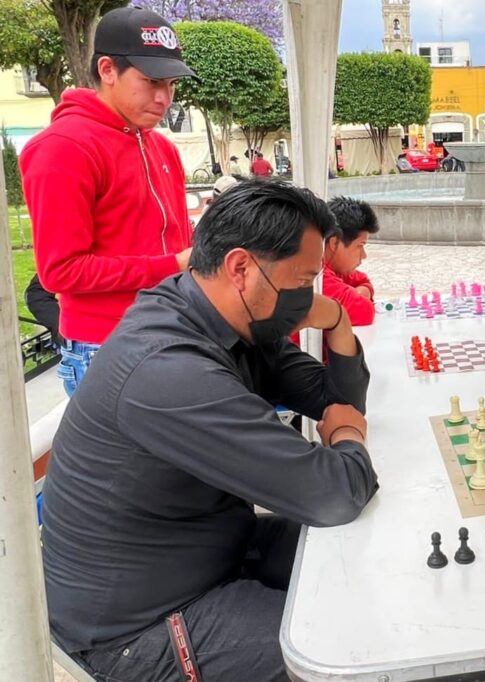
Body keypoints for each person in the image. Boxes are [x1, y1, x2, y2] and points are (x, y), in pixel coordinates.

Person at [41, 180, 379, 681]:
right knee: (356, 647)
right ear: (241, 268)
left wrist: (337, 321)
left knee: (374, 566)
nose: (306, 296)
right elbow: (334, 494)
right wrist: (347, 436)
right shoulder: (169, 368)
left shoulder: (226, 317)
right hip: (141, 626)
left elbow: (337, 400)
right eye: (303, 280)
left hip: (216, 548)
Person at [19, 6, 196, 397]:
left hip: (172, 332)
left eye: (171, 84)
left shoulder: (162, 147)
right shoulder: (64, 147)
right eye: (151, 81)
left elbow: (175, 237)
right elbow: (61, 271)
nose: (164, 98)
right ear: (107, 70)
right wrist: (172, 265)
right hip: (107, 347)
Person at [319, 197, 380, 327]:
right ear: (334, 243)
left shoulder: (335, 267)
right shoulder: (317, 276)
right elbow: (364, 312)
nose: (364, 255)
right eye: (360, 245)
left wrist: (360, 292)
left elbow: (363, 280)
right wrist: (357, 294)